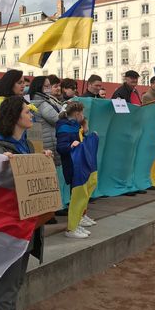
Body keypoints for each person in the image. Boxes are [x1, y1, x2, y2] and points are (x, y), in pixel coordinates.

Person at [0, 96, 46, 310]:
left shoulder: (27, 145)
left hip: (26, 224)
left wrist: (42, 162)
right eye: (27, 111)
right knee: (6, 283)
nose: (31, 114)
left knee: (16, 280)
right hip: (7, 227)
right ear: (14, 117)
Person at [56, 101, 97, 239]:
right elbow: (61, 148)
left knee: (82, 194)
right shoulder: (64, 127)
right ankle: (71, 228)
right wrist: (71, 146)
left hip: (79, 165)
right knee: (77, 196)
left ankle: (77, 221)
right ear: (78, 113)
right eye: (83, 113)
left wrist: (85, 133)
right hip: (73, 166)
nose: (84, 116)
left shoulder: (75, 126)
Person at [28, 76, 68, 218]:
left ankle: (54, 207)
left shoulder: (41, 100)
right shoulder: (42, 103)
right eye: (47, 85)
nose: (49, 88)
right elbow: (56, 118)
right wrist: (66, 111)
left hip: (45, 139)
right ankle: (55, 207)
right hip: (49, 140)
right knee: (54, 175)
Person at [0, 69, 26, 136]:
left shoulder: (18, 101)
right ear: (10, 84)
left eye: (23, 82)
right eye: (19, 83)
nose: (23, 86)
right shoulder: (1, 105)